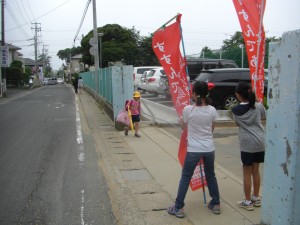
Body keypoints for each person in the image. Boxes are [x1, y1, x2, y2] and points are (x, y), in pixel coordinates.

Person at [167, 81, 221, 218]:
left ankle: (178, 207)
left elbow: (183, 127)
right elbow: (212, 128)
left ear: (194, 93)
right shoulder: (212, 110)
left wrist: (181, 120)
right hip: (209, 148)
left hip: (194, 150)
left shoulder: (188, 110)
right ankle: (215, 203)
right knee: (211, 176)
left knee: (185, 177)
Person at [231, 82, 266, 211]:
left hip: (247, 144)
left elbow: (237, 123)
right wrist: (256, 101)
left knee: (246, 172)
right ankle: (256, 198)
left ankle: (247, 202)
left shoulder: (235, 110)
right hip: (260, 142)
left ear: (238, 95)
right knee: (256, 171)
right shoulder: (258, 106)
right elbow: (264, 116)